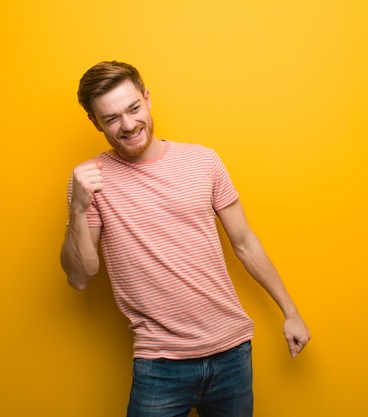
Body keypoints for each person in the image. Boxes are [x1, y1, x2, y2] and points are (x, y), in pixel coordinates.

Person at [60, 60, 311, 417]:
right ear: (95, 122)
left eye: (133, 108)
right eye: (112, 118)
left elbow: (245, 243)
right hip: (159, 364)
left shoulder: (203, 161)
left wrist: (291, 312)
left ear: (147, 98)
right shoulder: (91, 182)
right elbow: (79, 276)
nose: (129, 125)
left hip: (232, 354)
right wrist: (78, 210)